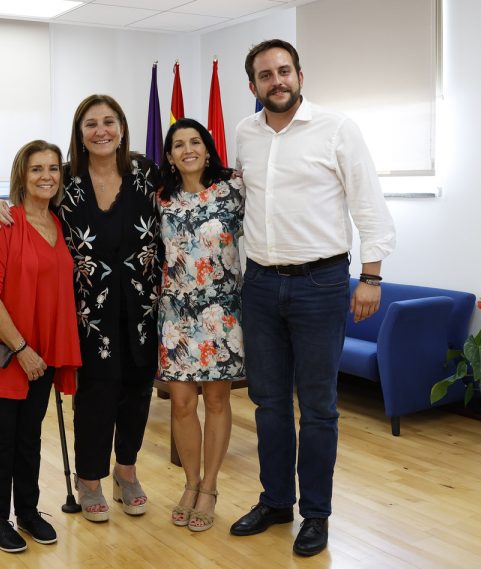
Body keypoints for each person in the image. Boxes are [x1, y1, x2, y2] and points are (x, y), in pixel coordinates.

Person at [228, 39, 396, 557]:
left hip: (321, 285)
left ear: (300, 74)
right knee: (268, 403)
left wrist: (371, 277)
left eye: (284, 71)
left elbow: (369, 203)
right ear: (252, 85)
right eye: (265, 74)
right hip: (259, 285)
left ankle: (315, 515)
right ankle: (277, 501)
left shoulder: (337, 129)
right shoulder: (245, 134)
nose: (276, 81)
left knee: (319, 408)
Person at [0, 95, 161, 523]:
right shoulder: (66, 181)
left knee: (137, 392)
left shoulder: (146, 173)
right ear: (78, 134)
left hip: (141, 308)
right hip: (85, 312)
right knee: (96, 396)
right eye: (90, 124)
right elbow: (30, 206)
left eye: (109, 121)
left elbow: (196, 182)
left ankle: (127, 472)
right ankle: (89, 480)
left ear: (121, 127)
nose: (100, 131)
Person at [0, 140, 82, 553]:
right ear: (22, 176)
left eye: (53, 168)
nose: (46, 175)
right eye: (36, 169)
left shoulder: (62, 224)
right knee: (1, 438)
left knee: (30, 436)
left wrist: (41, 351)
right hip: (6, 351)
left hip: (45, 350)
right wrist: (21, 348)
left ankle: (28, 512)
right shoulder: (2, 226)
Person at [157, 118, 244, 532]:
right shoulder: (159, 199)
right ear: (170, 157)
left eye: (195, 142)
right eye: (178, 144)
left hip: (222, 314)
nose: (187, 148)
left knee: (216, 403)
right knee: (182, 403)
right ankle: (189, 483)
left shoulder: (232, 192)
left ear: (208, 150)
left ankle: (209, 487)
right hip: (176, 317)